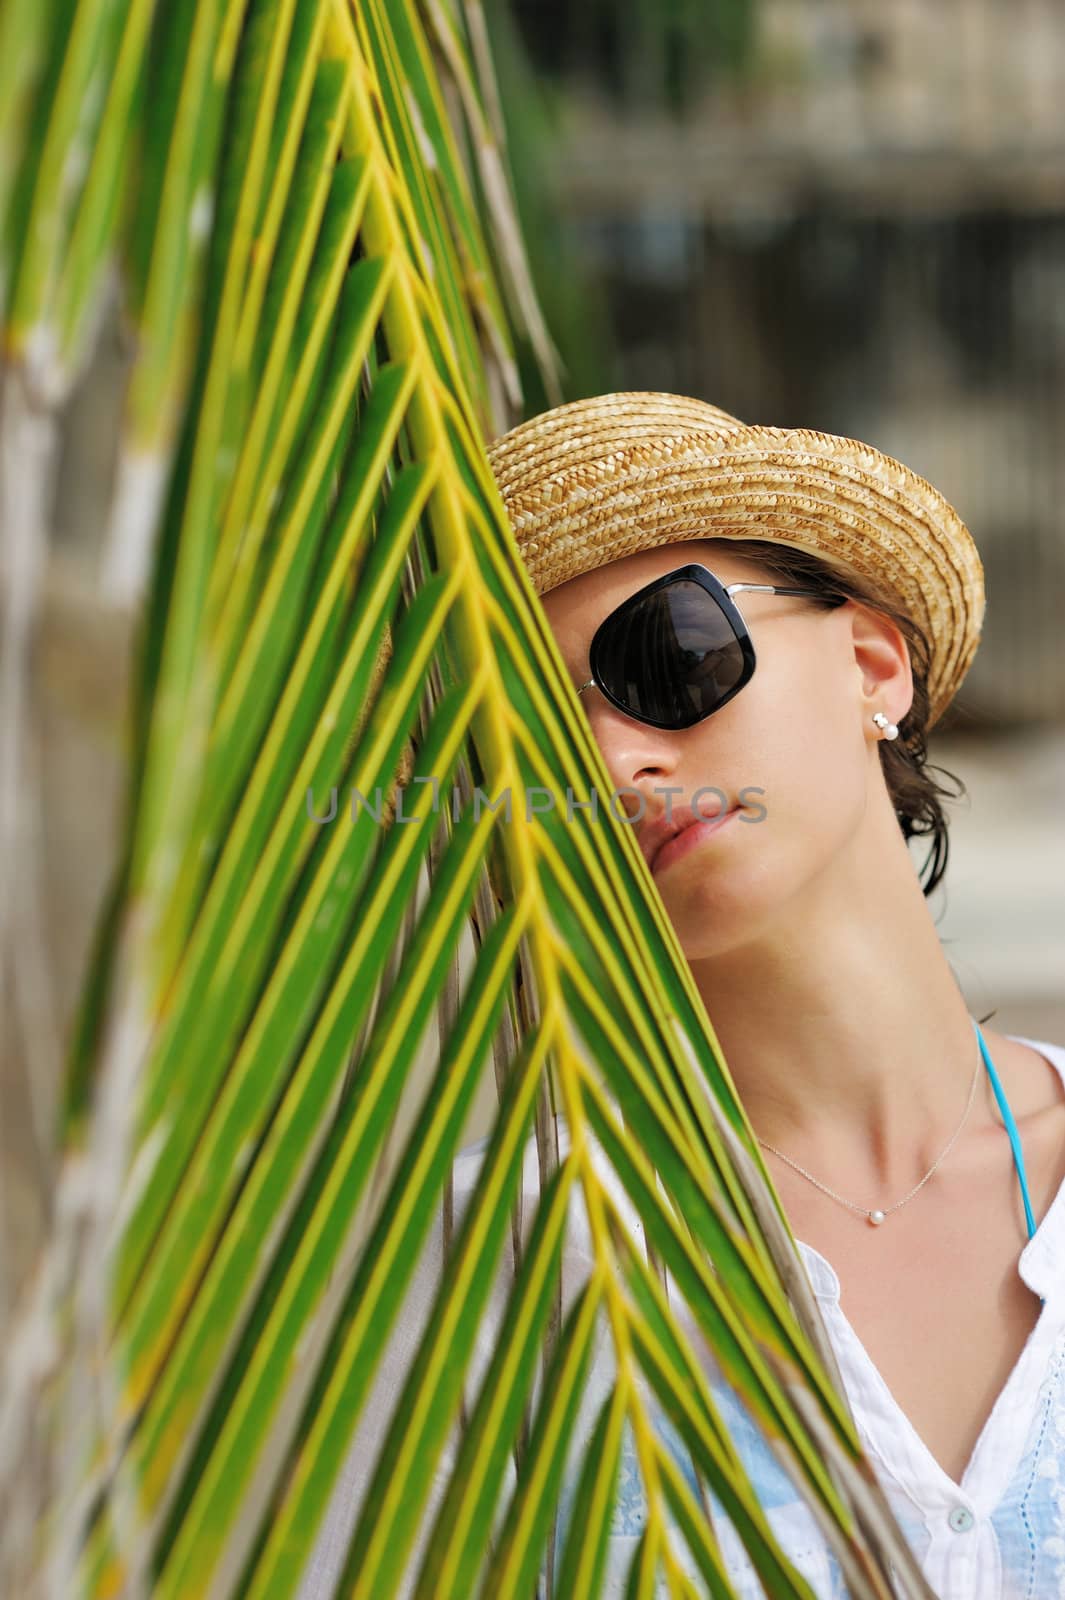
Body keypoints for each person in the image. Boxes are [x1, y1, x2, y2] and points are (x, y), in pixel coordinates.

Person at [301, 394, 1065, 1600]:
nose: (613, 763)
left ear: (873, 663)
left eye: (666, 656)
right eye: (530, 743)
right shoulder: (498, 1261)